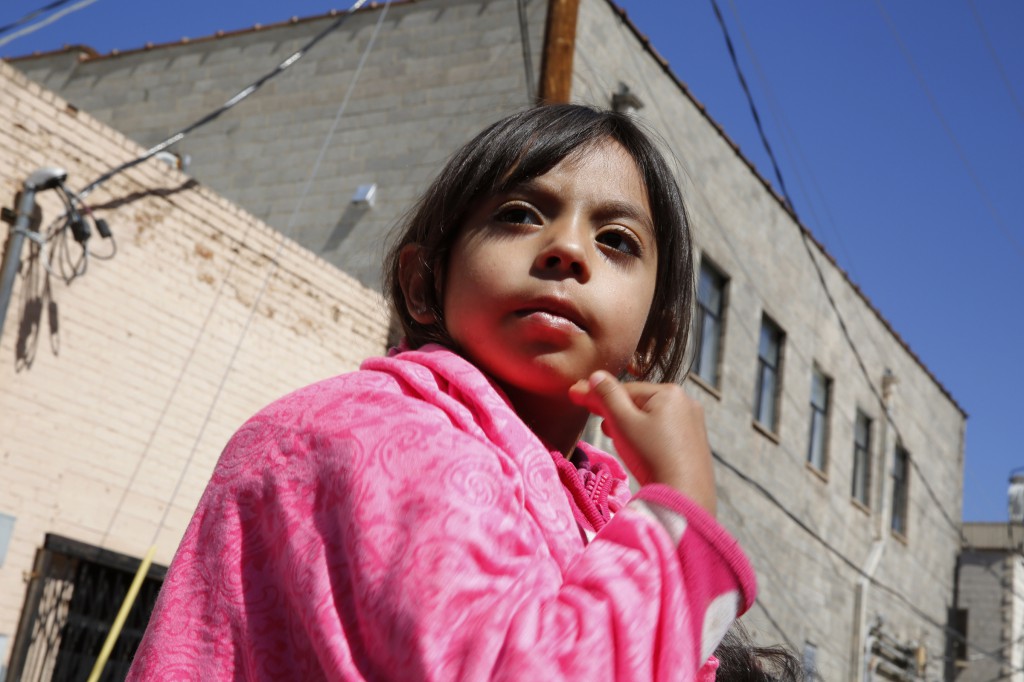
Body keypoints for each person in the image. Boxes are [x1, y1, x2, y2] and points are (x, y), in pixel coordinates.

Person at [128, 104, 767, 681]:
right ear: (423, 283)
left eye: (616, 240)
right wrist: (682, 513)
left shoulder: (599, 510)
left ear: (654, 337)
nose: (568, 249)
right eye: (519, 214)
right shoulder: (383, 432)